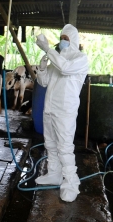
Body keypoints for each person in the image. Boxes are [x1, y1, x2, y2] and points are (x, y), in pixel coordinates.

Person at [34, 24, 89, 202]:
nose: (62, 41)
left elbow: (64, 68)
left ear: (73, 40)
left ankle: (72, 183)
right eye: (61, 38)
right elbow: (43, 82)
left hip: (65, 110)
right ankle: (54, 174)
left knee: (64, 148)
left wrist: (49, 50)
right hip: (49, 108)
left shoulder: (80, 58)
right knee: (50, 143)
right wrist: (42, 67)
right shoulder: (57, 57)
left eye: (66, 38)